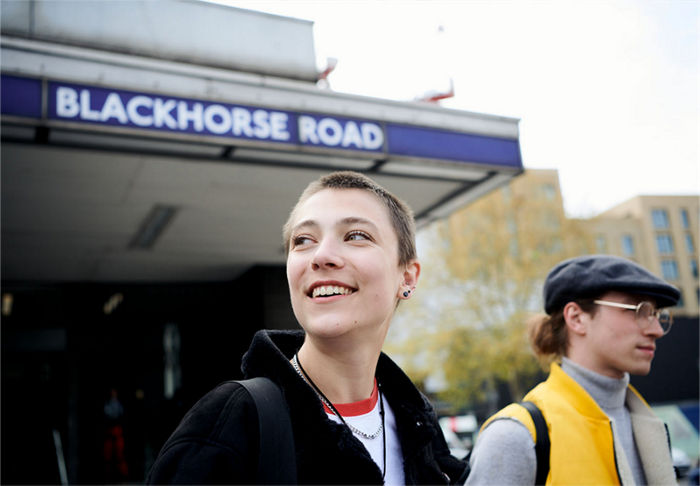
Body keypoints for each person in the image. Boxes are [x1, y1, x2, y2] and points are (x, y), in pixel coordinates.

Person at [147, 171, 468, 484]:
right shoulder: (231, 422)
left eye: (357, 235)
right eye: (303, 241)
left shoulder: (417, 424)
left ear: (407, 278)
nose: (322, 255)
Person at [466, 254, 680, 485]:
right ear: (576, 318)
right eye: (638, 310)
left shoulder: (647, 426)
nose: (656, 329)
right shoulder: (516, 436)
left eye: (656, 314)